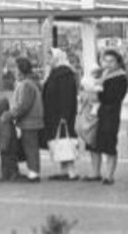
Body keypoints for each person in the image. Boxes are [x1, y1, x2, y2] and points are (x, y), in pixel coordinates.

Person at [85, 48, 128, 185]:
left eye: (111, 61)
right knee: (93, 143)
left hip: (110, 114)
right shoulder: (102, 75)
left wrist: (97, 91)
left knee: (109, 144)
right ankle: (95, 173)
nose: (108, 64)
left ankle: (109, 176)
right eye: (105, 60)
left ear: (118, 62)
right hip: (95, 114)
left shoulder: (120, 77)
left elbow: (112, 97)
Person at [42, 48, 79, 180]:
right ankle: (64, 170)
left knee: (64, 139)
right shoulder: (56, 72)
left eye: (50, 58)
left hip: (61, 115)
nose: (48, 61)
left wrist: (64, 115)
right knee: (59, 140)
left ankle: (71, 171)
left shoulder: (64, 74)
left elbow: (67, 97)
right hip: (54, 114)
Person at [10, 57, 44, 182]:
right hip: (32, 120)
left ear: (21, 69)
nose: (14, 70)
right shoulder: (31, 82)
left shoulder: (26, 84)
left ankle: (34, 172)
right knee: (31, 146)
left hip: (29, 121)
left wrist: (11, 114)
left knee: (30, 147)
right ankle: (33, 170)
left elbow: (23, 104)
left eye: (16, 68)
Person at [0, 96, 19, 182]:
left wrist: (2, 144)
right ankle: (7, 174)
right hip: (6, 143)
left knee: (8, 160)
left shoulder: (3, 119)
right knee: (7, 159)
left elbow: (6, 133)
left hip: (7, 144)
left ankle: (10, 174)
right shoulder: (3, 118)